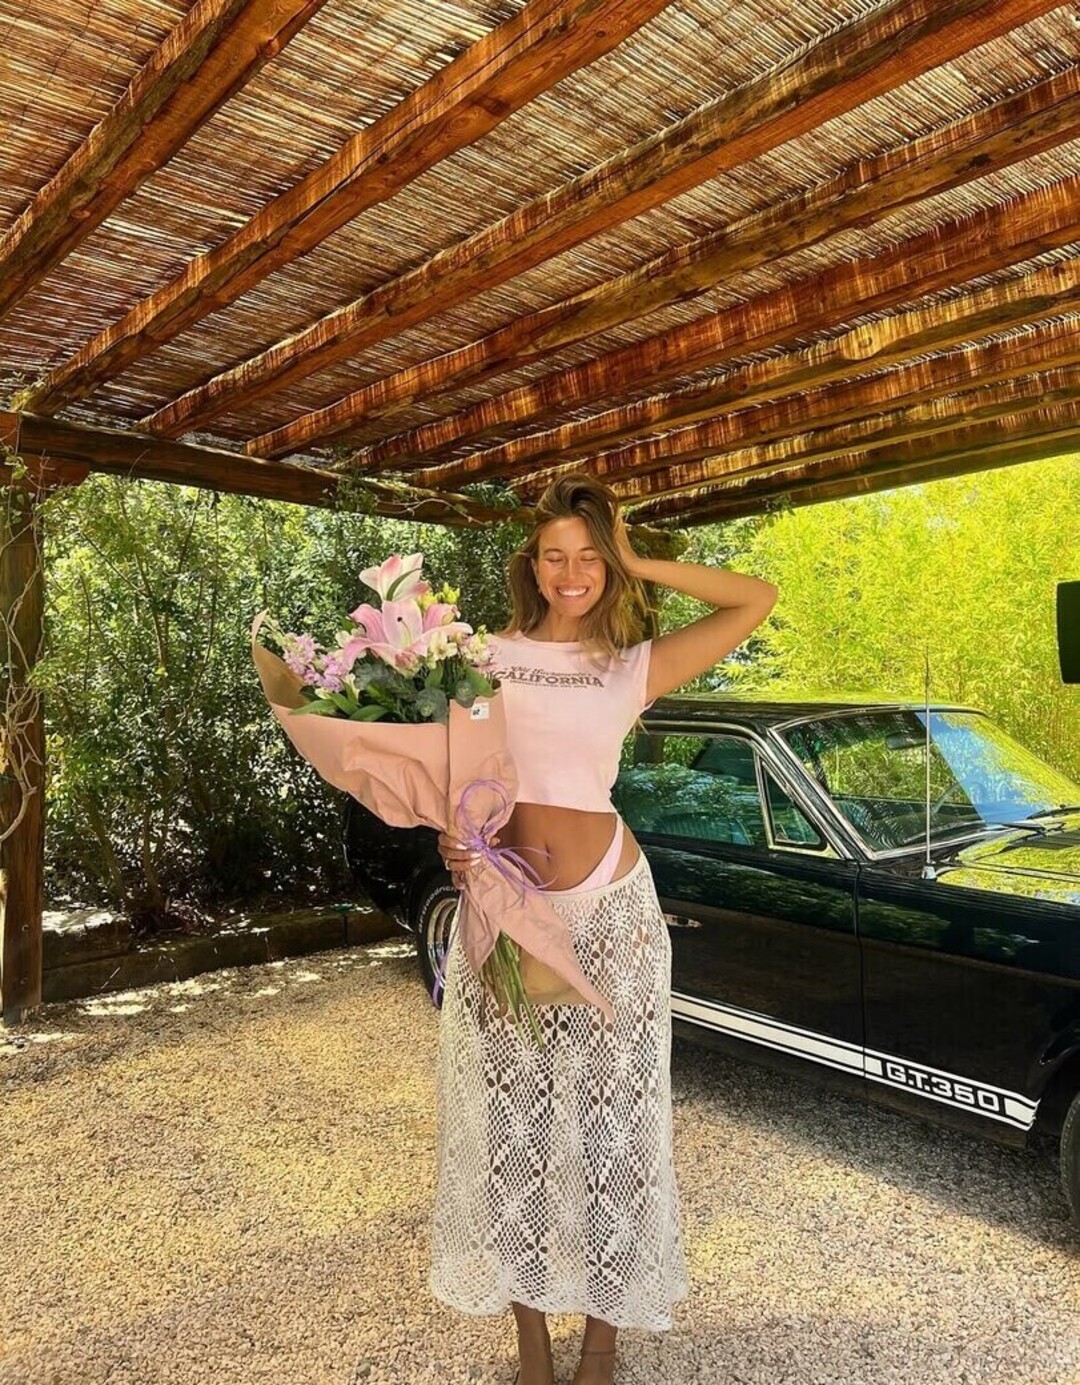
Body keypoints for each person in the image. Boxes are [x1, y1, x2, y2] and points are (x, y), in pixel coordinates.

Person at [429, 473, 778, 1385]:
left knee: (612, 1131)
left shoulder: (631, 664)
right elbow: (460, 784)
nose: (572, 572)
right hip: (507, 912)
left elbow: (756, 597)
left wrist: (637, 557)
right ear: (532, 564)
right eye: (556, 555)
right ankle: (531, 1345)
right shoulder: (480, 657)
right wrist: (456, 843)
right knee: (511, 1133)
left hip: (612, 909)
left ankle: (601, 1345)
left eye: (590, 556)